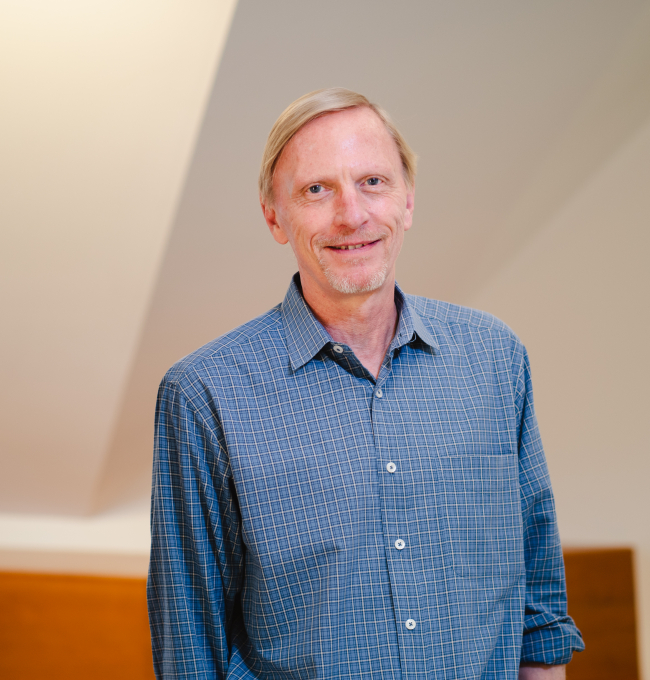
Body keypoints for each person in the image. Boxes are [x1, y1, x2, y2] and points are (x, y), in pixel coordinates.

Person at [148, 88, 584, 680]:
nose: (351, 214)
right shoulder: (204, 395)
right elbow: (190, 649)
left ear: (408, 201)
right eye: (316, 190)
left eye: (373, 182)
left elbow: (538, 604)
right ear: (274, 215)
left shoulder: (495, 358)